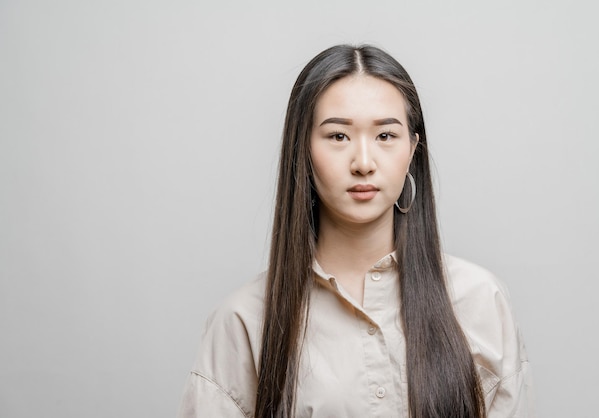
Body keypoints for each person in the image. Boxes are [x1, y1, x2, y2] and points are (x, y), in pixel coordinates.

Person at [177, 44, 534, 418]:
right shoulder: (244, 321)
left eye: (385, 136)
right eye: (338, 136)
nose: (363, 163)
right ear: (302, 148)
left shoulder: (479, 301)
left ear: (412, 148)